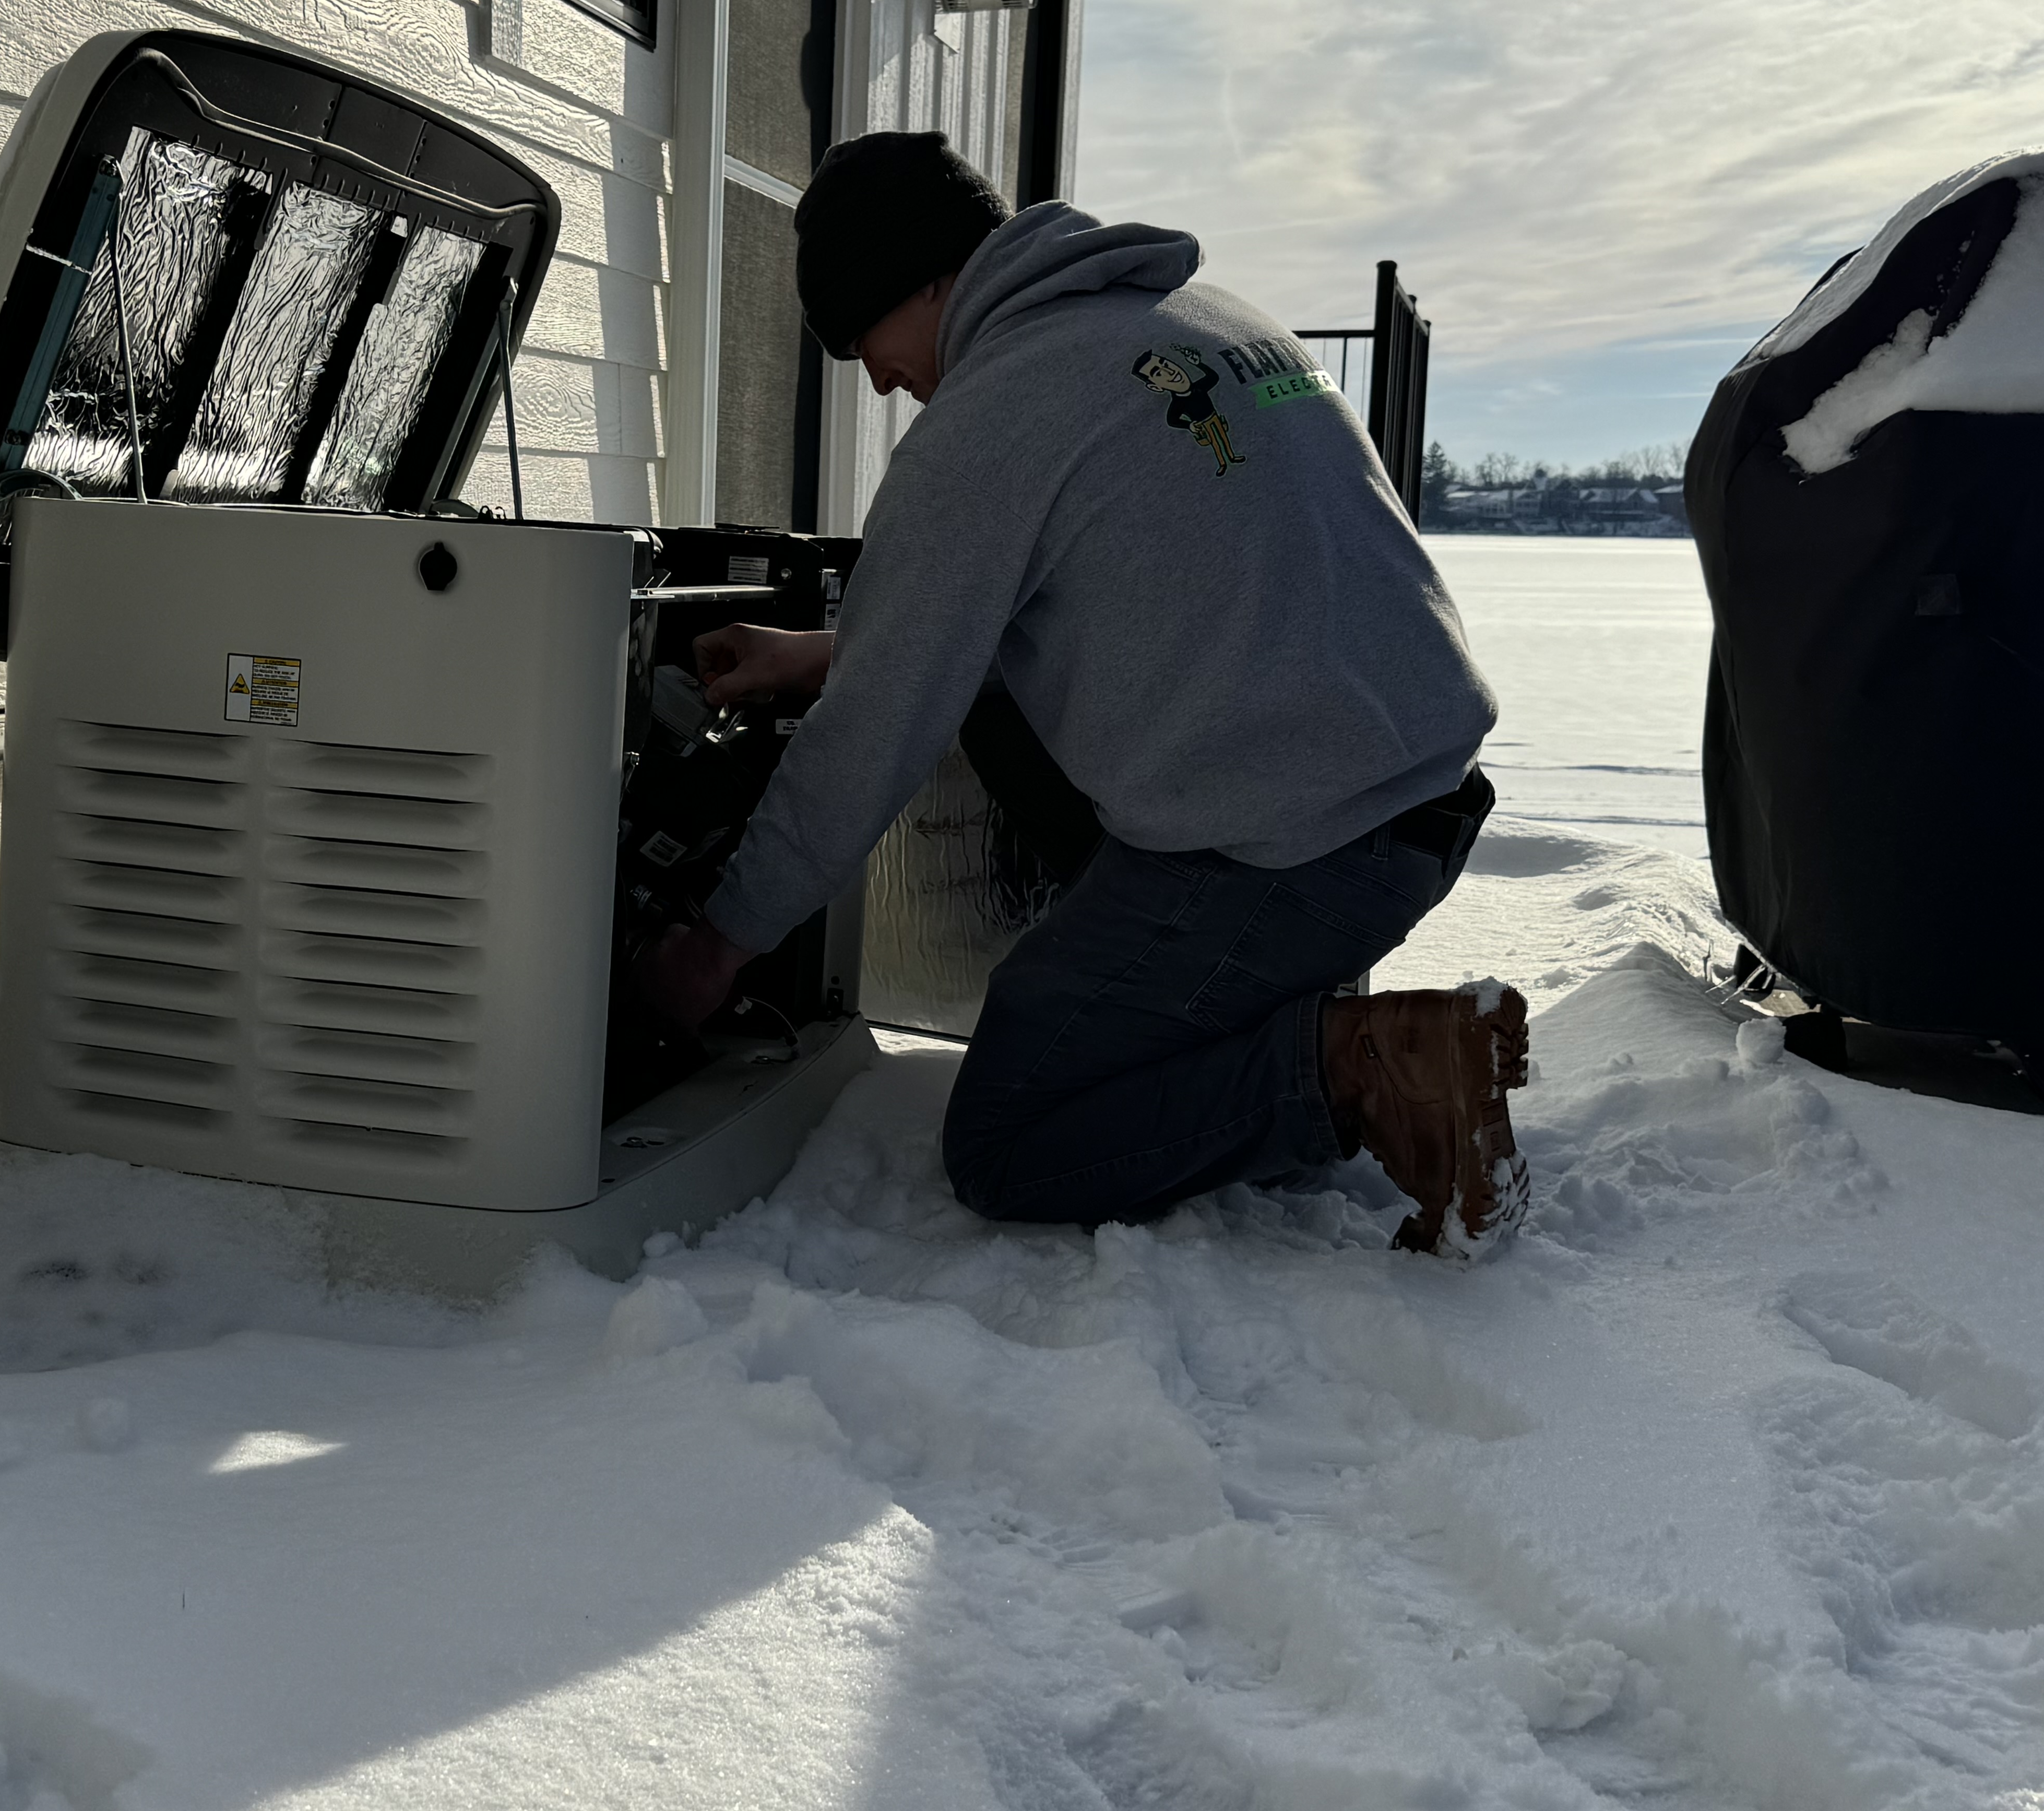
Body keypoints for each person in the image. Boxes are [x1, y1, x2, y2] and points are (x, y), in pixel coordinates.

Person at [642, 132, 1529, 1255]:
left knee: (1014, 1140)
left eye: (857, 335)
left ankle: (1366, 1068)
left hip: (1293, 850)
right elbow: (1141, 587)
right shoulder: (1202, 320)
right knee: (1002, 712)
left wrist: (716, 948)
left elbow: (866, 745)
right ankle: (1295, 1024)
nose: (873, 376)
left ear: (916, 276)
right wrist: (823, 652)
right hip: (1414, 799)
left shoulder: (993, 416)